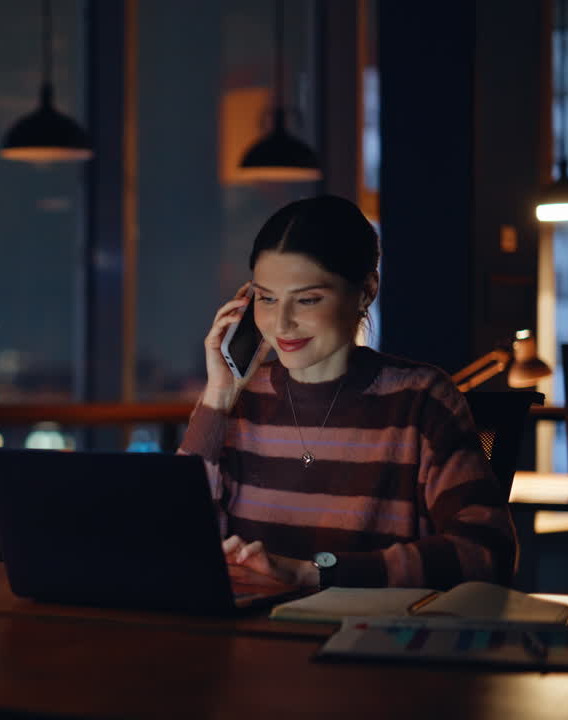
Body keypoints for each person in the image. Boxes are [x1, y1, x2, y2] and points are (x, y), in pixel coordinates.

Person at [180, 195, 516, 590]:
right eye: (267, 299)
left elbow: (487, 553)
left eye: (307, 300)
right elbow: (176, 540)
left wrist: (312, 573)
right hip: (249, 634)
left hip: (369, 639)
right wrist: (218, 396)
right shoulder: (239, 401)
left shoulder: (421, 400)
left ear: (366, 290)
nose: (282, 323)